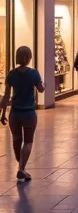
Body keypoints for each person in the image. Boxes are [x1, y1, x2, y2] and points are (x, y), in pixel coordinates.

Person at [0, 46, 45, 182]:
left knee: (16, 139)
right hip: (29, 113)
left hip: (15, 113)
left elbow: (6, 97)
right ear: (29, 57)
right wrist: (44, 84)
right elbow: (41, 89)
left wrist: (2, 114)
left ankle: (21, 164)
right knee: (28, 141)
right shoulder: (34, 73)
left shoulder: (11, 74)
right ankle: (21, 168)